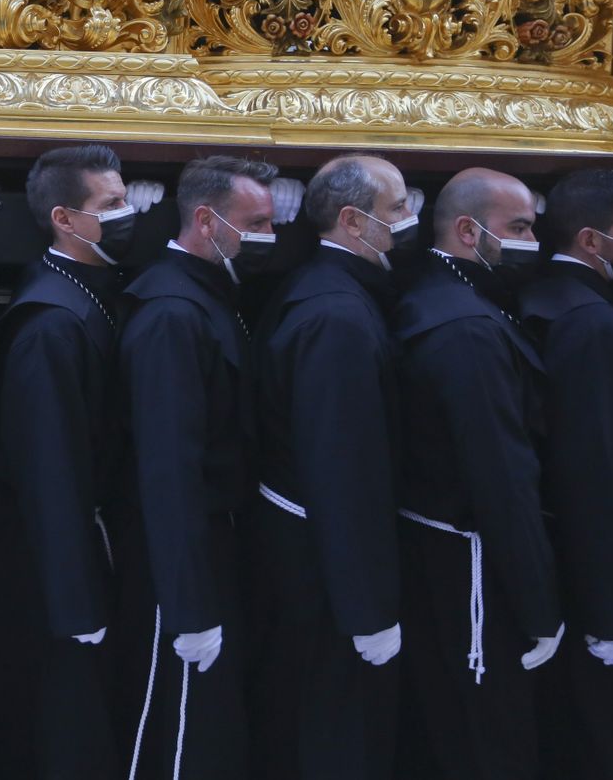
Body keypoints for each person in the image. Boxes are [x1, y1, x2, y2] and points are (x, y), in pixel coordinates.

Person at [0, 146, 131, 780]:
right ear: (64, 218)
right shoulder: (50, 327)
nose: (127, 213)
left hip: (66, 548)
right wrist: (74, 600)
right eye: (111, 204)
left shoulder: (81, 295)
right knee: (54, 716)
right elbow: (49, 471)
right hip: (41, 560)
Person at [392, 167, 561, 780]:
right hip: (473, 567)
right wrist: (539, 606)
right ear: (468, 231)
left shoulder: (437, 296)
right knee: (490, 737)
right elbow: (500, 473)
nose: (531, 242)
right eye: (518, 228)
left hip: (438, 552)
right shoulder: (467, 329)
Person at [251, 154, 413, 780]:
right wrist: (366, 610)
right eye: (398, 208)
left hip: (313, 556)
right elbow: (344, 470)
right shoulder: (336, 317)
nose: (408, 219)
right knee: (332, 726)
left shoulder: (329, 293)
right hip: (321, 568)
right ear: (353, 220)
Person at [117, 155, 276, 780]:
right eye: (255, 223)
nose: (268, 236)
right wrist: (188, 606)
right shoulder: (171, 314)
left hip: (214, 540)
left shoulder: (207, 296)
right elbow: (169, 467)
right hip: (180, 559)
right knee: (183, 733)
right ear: (207, 221)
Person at [520, 169, 613, 780]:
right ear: (590, 240)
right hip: (586, 554)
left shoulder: (543, 295)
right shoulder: (591, 321)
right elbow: (597, 465)